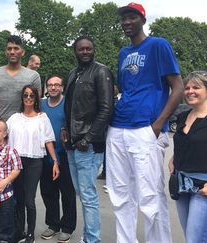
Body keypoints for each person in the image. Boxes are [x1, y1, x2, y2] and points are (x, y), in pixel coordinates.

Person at [106, 3, 184, 243]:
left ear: (142, 20)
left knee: (150, 196)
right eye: (123, 19)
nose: (126, 22)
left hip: (145, 128)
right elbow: (126, 89)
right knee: (120, 195)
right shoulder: (123, 53)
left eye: (131, 17)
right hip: (118, 127)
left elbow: (178, 85)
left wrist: (158, 125)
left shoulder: (158, 45)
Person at [62, 36, 114, 243]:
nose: (85, 52)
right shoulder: (73, 73)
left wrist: (88, 138)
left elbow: (106, 108)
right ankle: (89, 236)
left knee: (88, 195)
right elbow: (70, 107)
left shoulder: (101, 72)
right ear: (75, 51)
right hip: (73, 143)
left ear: (94, 50)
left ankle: (92, 239)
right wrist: (66, 128)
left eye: (88, 49)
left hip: (88, 145)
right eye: (81, 49)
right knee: (82, 193)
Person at [168, 71, 207, 242]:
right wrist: (173, 160)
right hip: (182, 186)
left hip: (206, 189)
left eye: (196, 87)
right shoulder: (183, 116)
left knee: (194, 240)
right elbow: (184, 142)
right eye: (187, 88)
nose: (190, 91)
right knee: (191, 238)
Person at [7, 85, 59, 243]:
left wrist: (55, 161)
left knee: (29, 199)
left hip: (34, 162)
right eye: (25, 95)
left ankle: (30, 233)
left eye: (31, 95)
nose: (28, 98)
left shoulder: (42, 118)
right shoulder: (14, 118)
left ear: (36, 98)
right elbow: (2, 135)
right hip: (15, 162)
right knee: (19, 199)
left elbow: (48, 140)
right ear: (22, 98)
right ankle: (19, 230)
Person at [0, 35, 42, 147]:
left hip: (23, 132)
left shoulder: (33, 76)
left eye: (16, 48)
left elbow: (37, 106)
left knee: (21, 164)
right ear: (6, 52)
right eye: (9, 49)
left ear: (22, 52)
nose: (12, 52)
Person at [40, 75, 76, 243]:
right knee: (48, 192)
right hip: (44, 155)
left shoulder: (68, 104)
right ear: (47, 88)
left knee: (67, 192)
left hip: (64, 154)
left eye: (57, 85)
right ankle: (53, 224)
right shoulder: (40, 105)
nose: (53, 88)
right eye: (50, 85)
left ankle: (67, 227)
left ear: (62, 88)